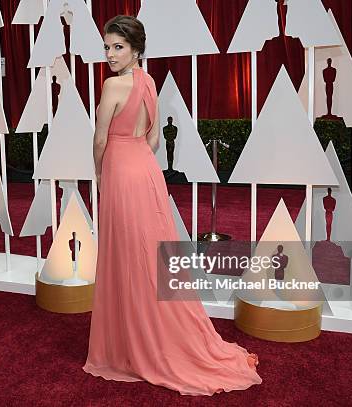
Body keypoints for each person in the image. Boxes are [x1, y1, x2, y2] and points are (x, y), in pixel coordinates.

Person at [83, 15, 261, 396]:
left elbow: (99, 141)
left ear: (135, 49)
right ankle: (152, 333)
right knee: (150, 257)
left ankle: (132, 344)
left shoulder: (113, 86)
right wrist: (136, 162)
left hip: (121, 175)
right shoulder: (148, 82)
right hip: (146, 173)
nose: (110, 54)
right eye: (107, 47)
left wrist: (101, 174)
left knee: (128, 257)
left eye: (118, 47)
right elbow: (154, 142)